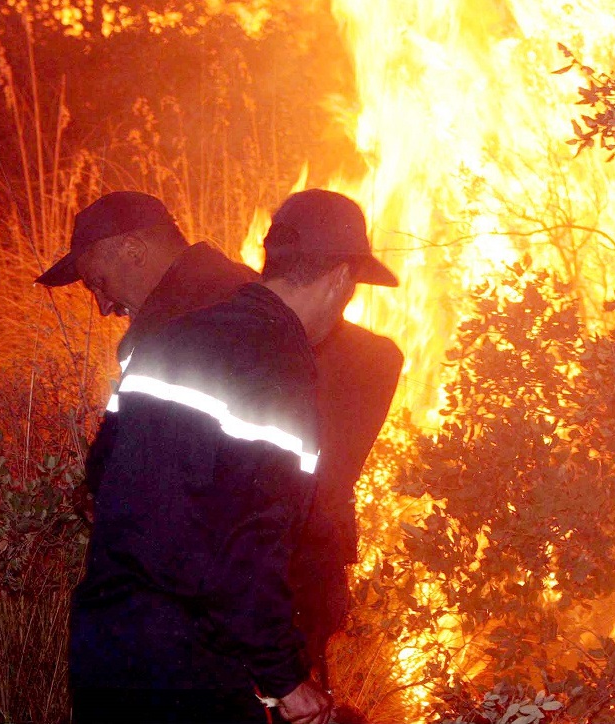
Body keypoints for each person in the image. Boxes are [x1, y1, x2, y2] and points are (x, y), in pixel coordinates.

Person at [53, 190, 400, 723]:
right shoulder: (275, 358)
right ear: (339, 281)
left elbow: (104, 472)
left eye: (98, 285)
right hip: (190, 660)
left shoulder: (177, 335)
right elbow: (248, 537)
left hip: (111, 645)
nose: (101, 303)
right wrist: (284, 675)